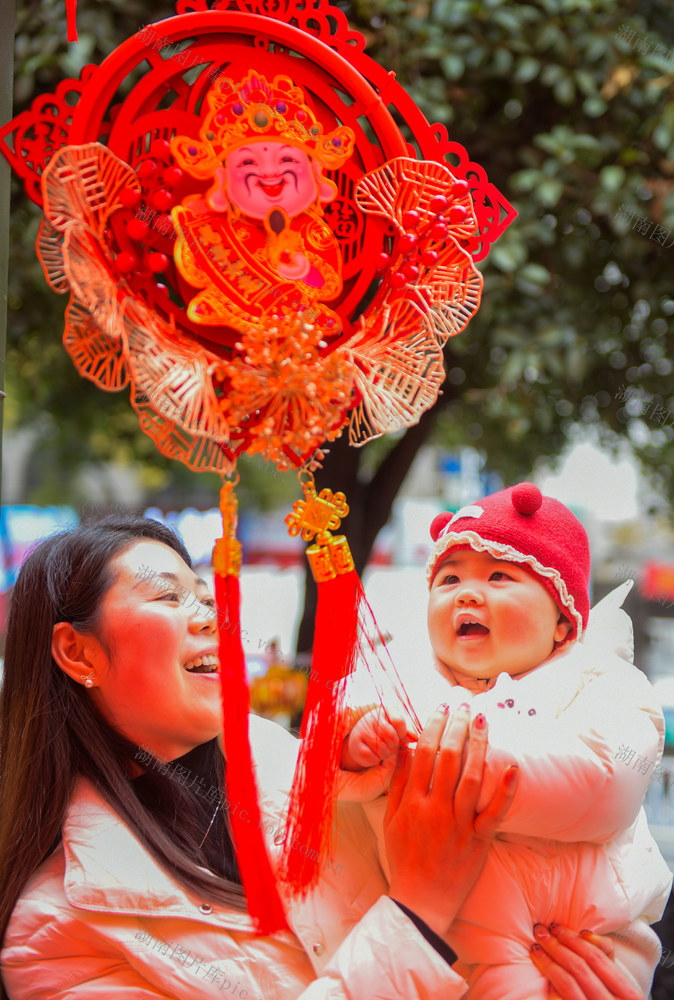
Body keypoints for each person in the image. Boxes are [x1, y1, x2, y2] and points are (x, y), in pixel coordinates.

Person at [0, 515, 648, 1000]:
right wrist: (417, 911)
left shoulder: (312, 765)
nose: (212, 614)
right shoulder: (56, 935)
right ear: (76, 652)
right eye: (168, 597)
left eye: (205, 595)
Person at [342, 482, 672, 1000]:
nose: (468, 593)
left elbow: (609, 779)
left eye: (500, 576)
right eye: (448, 579)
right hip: (448, 940)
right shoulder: (401, 681)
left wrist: (489, 779)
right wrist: (355, 748)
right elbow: (328, 770)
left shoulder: (598, 679)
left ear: (563, 623)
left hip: (577, 938)